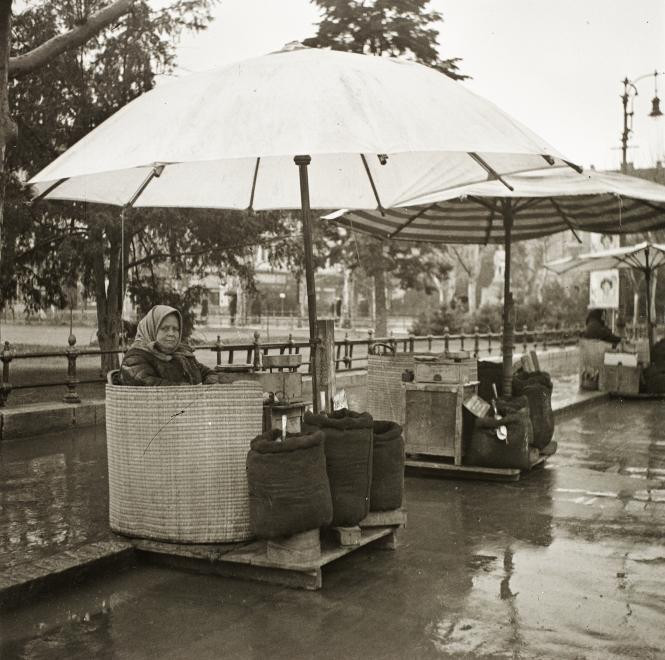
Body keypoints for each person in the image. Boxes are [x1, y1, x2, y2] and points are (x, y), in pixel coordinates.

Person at [120, 305, 218, 386]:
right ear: (152, 329)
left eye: (175, 329)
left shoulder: (183, 354)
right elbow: (146, 383)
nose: (171, 333)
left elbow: (209, 373)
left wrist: (207, 387)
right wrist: (188, 389)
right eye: (165, 328)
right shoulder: (135, 357)